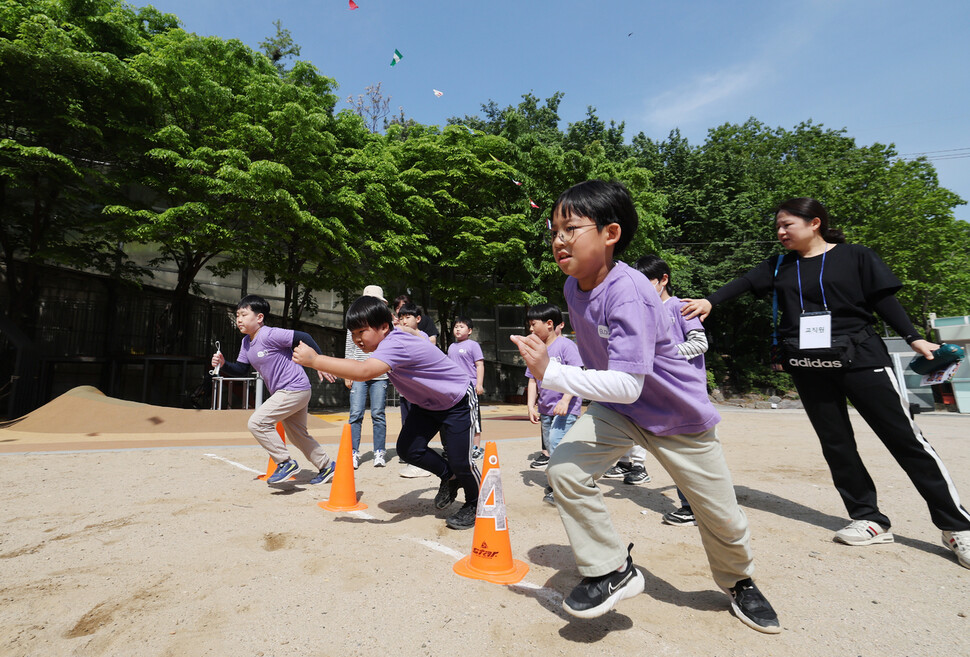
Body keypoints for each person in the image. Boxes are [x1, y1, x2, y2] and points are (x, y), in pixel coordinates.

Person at [511, 180, 779, 632]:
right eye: (553, 229)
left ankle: (740, 582)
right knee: (565, 471)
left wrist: (550, 374)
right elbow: (608, 367)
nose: (558, 239)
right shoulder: (574, 288)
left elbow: (628, 384)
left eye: (570, 228)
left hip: (676, 417)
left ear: (610, 234)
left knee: (719, 515)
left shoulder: (629, 290)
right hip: (618, 412)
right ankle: (612, 569)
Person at [681, 197, 970, 569]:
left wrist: (914, 337)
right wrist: (709, 301)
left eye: (787, 225)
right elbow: (742, 283)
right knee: (836, 443)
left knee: (905, 440)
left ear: (814, 222)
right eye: (778, 227)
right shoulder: (779, 265)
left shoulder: (856, 257)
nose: (780, 232)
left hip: (862, 358)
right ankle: (869, 518)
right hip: (808, 363)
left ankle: (955, 526)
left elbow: (884, 302)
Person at [293, 295, 481, 530]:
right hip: (427, 404)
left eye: (361, 332)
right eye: (353, 334)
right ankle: (449, 476)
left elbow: (363, 371)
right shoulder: (390, 341)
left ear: (383, 327)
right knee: (408, 449)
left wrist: (315, 360)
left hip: (456, 400)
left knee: (461, 460)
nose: (357, 339)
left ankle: (476, 502)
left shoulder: (395, 343)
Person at [210, 295, 336, 486]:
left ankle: (285, 463)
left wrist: (319, 362)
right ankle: (327, 466)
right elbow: (241, 369)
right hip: (289, 391)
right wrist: (224, 364)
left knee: (257, 422)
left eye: (244, 314)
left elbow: (304, 337)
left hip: (294, 388)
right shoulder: (246, 343)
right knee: (297, 434)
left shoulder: (270, 334)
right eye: (237, 315)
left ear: (259, 318)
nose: (239, 319)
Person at [636, 254, 709, 526]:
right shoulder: (645, 313)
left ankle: (694, 508)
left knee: (689, 454)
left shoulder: (681, 307)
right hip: (663, 393)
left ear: (663, 279)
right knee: (679, 453)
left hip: (687, 392)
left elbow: (700, 343)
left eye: (647, 282)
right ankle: (693, 506)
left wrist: (667, 355)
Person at [523, 303, 583, 505]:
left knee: (558, 446)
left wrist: (565, 400)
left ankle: (562, 489)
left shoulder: (566, 346)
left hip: (565, 409)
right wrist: (531, 405)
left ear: (549, 324)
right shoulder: (535, 349)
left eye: (533, 324)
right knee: (551, 447)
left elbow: (576, 375)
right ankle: (564, 480)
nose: (530, 329)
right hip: (546, 410)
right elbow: (532, 379)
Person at [344, 285, 390, 469]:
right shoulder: (354, 323)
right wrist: (348, 374)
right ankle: (353, 451)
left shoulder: (384, 327)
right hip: (358, 373)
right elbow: (350, 348)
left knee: (378, 413)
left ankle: (379, 451)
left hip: (380, 375)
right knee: (355, 413)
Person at [447, 316, 485, 460]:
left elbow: (480, 365)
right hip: (455, 388)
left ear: (469, 330)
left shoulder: (473, 345)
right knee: (459, 417)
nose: (457, 329)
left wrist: (479, 384)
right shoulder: (451, 347)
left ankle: (476, 448)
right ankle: (463, 448)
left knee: (474, 417)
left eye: (461, 326)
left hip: (471, 386)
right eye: (456, 326)